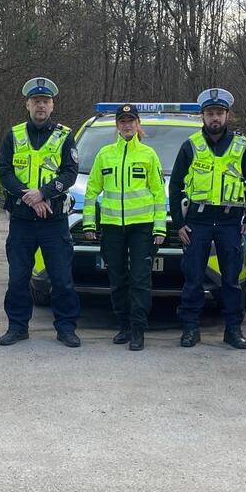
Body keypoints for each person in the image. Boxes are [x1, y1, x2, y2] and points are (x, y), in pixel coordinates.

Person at [168, 87, 246, 350]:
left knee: (231, 280)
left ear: (227, 115)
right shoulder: (190, 146)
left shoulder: (241, 146)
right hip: (197, 222)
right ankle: (190, 329)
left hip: (231, 223)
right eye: (210, 113)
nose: (215, 118)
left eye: (219, 113)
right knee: (193, 279)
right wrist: (179, 223)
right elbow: (175, 186)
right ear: (203, 116)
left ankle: (233, 330)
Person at [0, 76, 82, 347]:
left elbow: (70, 173)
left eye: (45, 101)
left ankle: (66, 328)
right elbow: (5, 172)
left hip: (54, 220)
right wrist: (30, 197)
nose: (40, 105)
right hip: (22, 219)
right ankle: (17, 327)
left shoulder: (64, 135)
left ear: (52, 105)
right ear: (27, 105)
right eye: (36, 101)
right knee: (18, 278)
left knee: (61, 278)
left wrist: (43, 193)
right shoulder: (13, 135)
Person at [82, 104, 166, 351]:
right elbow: (91, 191)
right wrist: (89, 223)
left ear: (138, 124)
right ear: (117, 125)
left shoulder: (149, 155)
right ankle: (124, 325)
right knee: (117, 279)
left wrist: (159, 228)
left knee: (140, 280)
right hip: (112, 228)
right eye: (122, 121)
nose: (127, 125)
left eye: (131, 121)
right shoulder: (104, 154)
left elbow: (158, 194)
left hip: (142, 228)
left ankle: (138, 329)